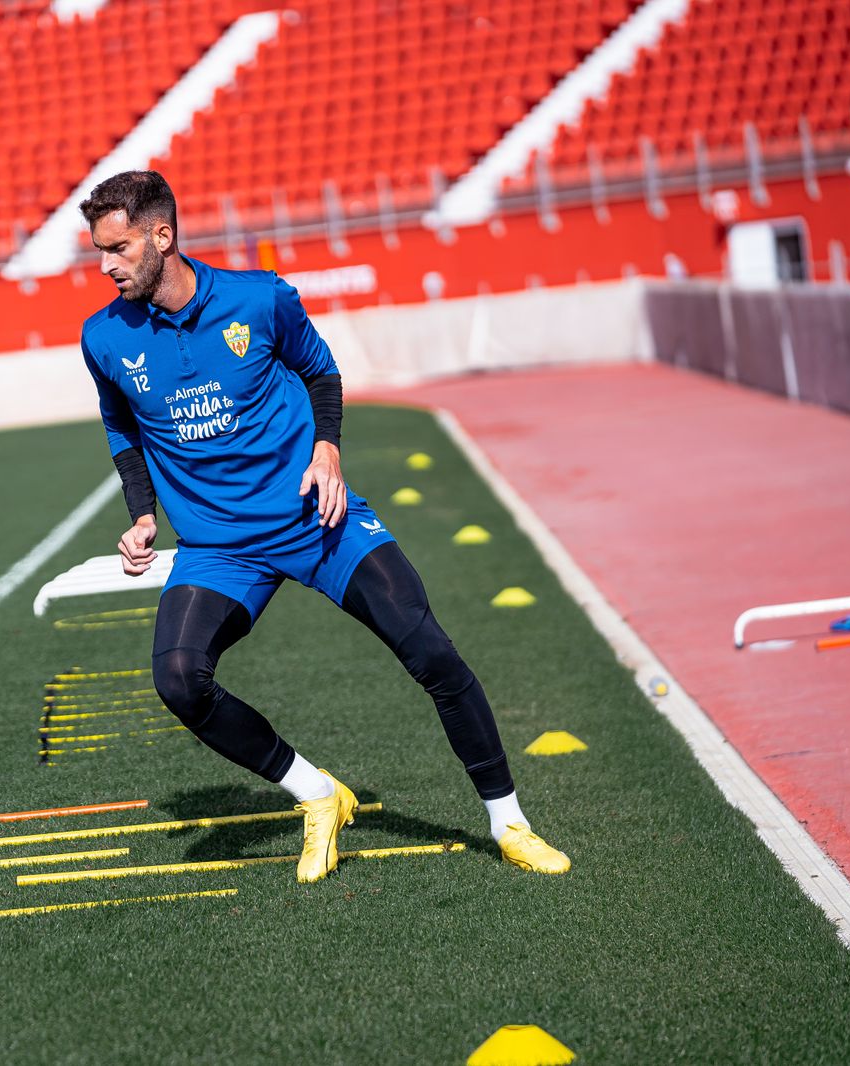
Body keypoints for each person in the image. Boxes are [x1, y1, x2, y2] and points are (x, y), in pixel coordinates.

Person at [76, 172, 569, 882]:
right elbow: (121, 425)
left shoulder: (259, 298)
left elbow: (322, 373)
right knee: (180, 680)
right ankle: (317, 793)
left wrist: (328, 449)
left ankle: (510, 823)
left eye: (117, 248)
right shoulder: (103, 337)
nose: (106, 266)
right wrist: (142, 513)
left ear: (162, 236)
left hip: (317, 520)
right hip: (218, 547)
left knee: (432, 654)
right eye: (99, 251)